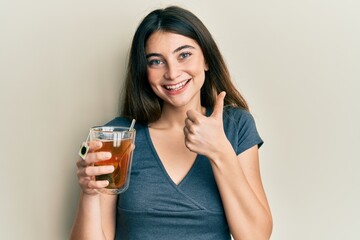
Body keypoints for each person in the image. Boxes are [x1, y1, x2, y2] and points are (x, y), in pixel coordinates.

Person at [70, 5, 272, 240]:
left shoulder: (236, 126)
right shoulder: (119, 136)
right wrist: (89, 194)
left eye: (184, 55)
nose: (172, 73)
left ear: (206, 59)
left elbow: (256, 236)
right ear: (144, 72)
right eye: (156, 61)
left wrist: (221, 152)